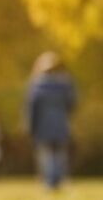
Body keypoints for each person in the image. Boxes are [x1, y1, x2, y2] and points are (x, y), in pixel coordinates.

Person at [25, 51, 77, 191]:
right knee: (59, 154)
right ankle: (57, 181)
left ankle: (49, 182)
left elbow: (32, 108)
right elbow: (72, 104)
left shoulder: (36, 85)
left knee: (46, 154)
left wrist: (30, 126)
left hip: (43, 125)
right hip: (61, 124)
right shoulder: (65, 85)